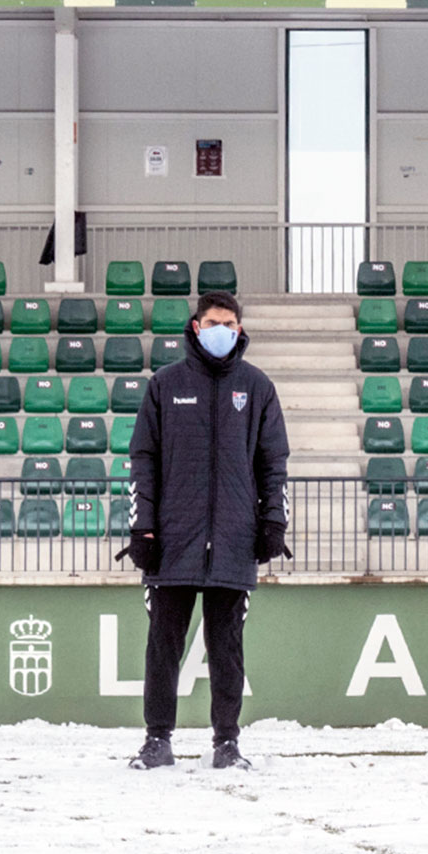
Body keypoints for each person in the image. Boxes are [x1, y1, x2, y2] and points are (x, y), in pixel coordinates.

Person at [119, 290, 292, 771]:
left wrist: (273, 520)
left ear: (240, 330)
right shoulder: (165, 385)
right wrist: (144, 529)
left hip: (235, 543)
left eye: (231, 324)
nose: (223, 331)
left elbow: (273, 462)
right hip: (172, 543)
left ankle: (226, 743)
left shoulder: (257, 388)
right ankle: (157, 740)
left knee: (227, 650)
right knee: (162, 647)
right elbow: (144, 462)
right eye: (215, 322)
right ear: (196, 326)